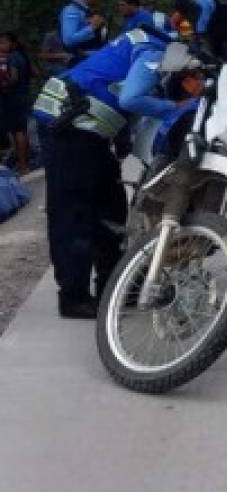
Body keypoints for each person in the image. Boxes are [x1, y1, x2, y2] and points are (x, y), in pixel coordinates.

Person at [32, 26, 188, 318]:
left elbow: (114, 89)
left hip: (88, 130)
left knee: (111, 207)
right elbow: (131, 99)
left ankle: (112, 287)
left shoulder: (143, 42)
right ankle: (74, 298)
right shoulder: (153, 50)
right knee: (74, 213)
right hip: (69, 127)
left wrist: (123, 139)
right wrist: (174, 106)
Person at [0, 32, 33, 174]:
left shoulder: (12, 57)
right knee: (22, 130)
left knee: (17, 131)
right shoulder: (22, 55)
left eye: (3, 43)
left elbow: (13, 78)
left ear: (12, 44)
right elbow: (34, 73)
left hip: (13, 98)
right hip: (23, 95)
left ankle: (23, 164)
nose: (1, 46)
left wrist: (4, 83)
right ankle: (25, 164)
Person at [59, 0, 108, 65]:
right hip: (80, 61)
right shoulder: (72, 11)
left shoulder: (89, 11)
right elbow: (68, 40)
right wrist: (92, 27)